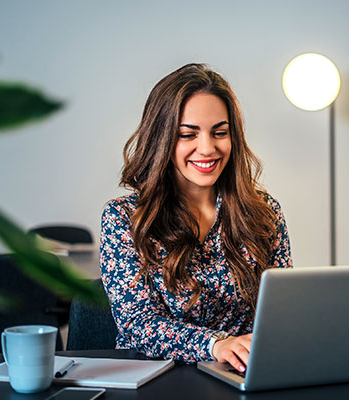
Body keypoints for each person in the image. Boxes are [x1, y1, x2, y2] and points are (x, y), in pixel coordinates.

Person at [99, 64, 292, 373]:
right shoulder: (125, 218)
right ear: (161, 140)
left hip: (244, 377)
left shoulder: (264, 212)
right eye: (188, 135)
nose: (207, 148)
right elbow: (138, 325)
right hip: (158, 381)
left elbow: (283, 310)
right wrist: (216, 344)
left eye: (220, 132)